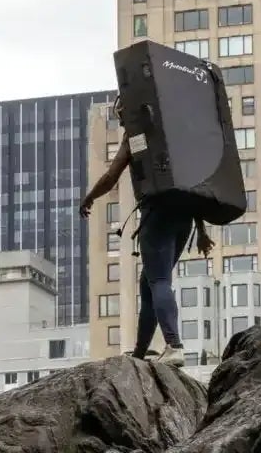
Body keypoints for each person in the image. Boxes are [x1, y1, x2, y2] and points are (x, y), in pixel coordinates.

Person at [80, 138, 215, 364]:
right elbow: (192, 182)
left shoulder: (136, 133)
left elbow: (111, 177)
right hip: (185, 217)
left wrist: (89, 197)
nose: (121, 119)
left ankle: (174, 346)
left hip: (156, 214)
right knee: (148, 283)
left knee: (159, 281)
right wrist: (201, 230)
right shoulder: (175, 128)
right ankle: (140, 354)